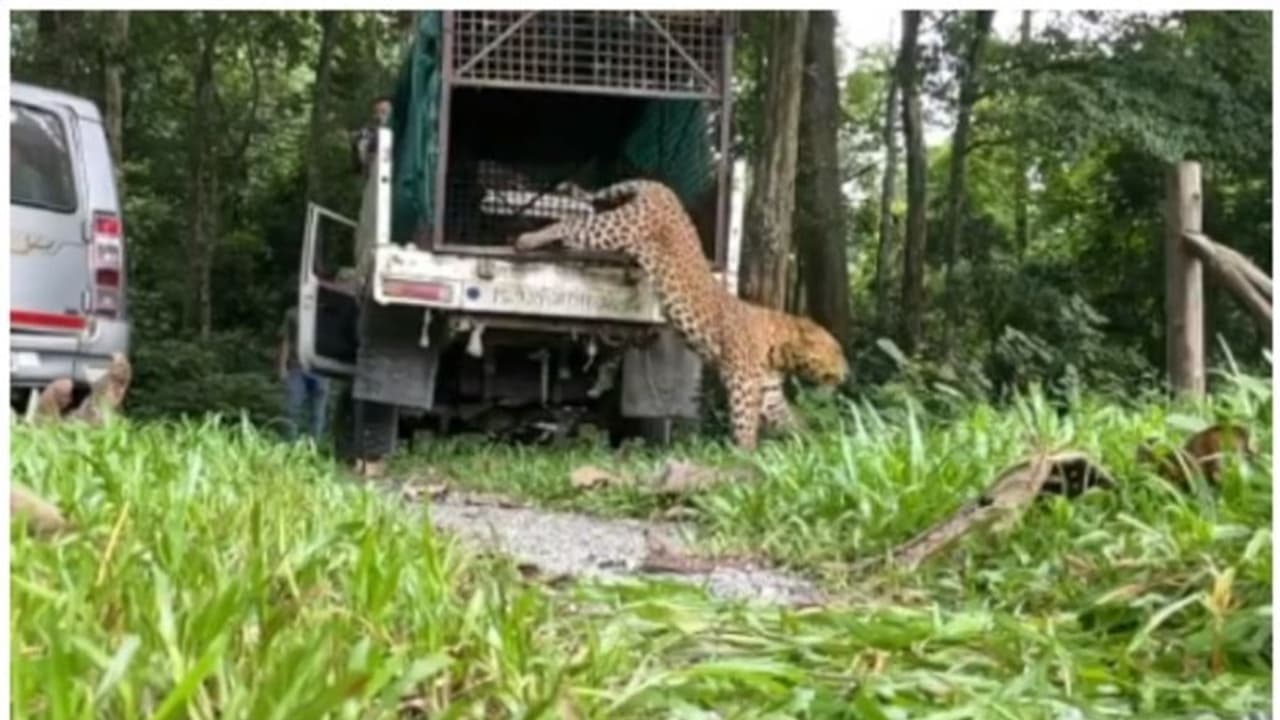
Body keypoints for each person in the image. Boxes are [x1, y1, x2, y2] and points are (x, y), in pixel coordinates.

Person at [278, 288, 329, 442]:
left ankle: (314, 448)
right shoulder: (293, 313)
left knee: (318, 413)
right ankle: (290, 447)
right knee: (292, 409)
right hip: (296, 367)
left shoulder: (325, 315)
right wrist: (282, 367)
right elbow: (286, 341)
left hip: (320, 369)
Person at [351, 95, 393, 176]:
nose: (379, 116)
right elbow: (359, 166)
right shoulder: (367, 135)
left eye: (384, 112)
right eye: (376, 113)